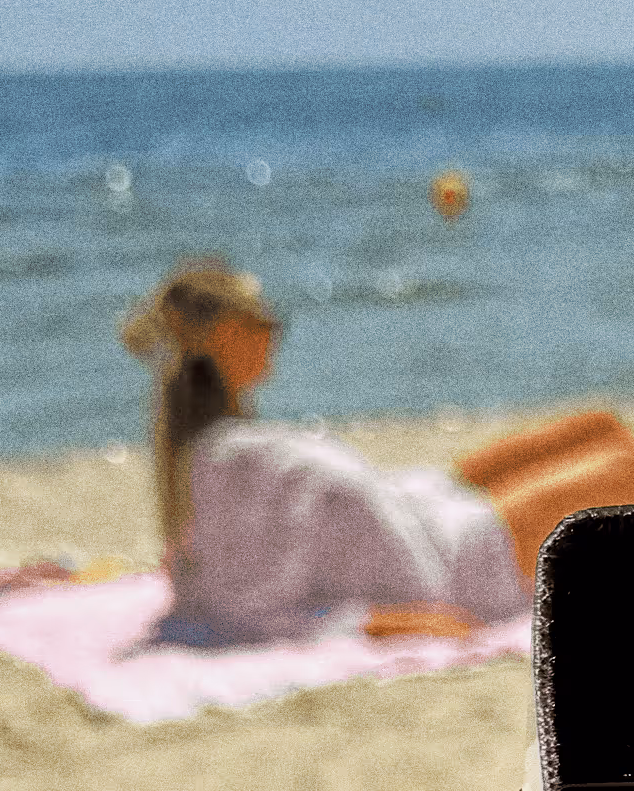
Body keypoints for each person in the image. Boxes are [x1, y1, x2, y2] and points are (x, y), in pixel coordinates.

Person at [121, 259, 530, 646]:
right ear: (227, 335)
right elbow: (245, 605)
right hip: (452, 559)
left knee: (594, 427)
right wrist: (382, 620)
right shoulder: (229, 461)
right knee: (598, 462)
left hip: (424, 515)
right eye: (265, 322)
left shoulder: (222, 451)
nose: (275, 334)